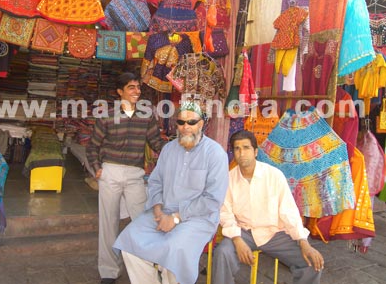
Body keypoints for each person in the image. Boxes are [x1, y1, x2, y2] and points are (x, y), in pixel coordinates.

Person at [113, 101, 229, 284]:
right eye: (181, 122)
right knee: (130, 242)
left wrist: (176, 218)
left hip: (198, 218)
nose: (185, 127)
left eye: (191, 122)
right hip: (163, 211)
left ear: (201, 123)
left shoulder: (215, 154)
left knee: (174, 253)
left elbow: (212, 200)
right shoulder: (168, 149)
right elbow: (155, 182)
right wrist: (158, 210)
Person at [213, 130, 324, 284]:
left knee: (311, 261)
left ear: (255, 151)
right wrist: (237, 240)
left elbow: (289, 211)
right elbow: (225, 213)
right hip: (244, 232)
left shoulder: (274, 175)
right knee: (222, 253)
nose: (241, 153)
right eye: (237, 149)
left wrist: (303, 242)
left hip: (275, 233)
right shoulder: (228, 179)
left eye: (246, 148)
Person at [85, 72, 166, 284]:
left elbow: (157, 144)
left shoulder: (147, 116)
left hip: (135, 174)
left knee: (142, 221)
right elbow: (92, 146)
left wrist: (177, 151)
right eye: (131, 87)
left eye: (138, 87)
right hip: (110, 171)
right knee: (108, 223)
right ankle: (108, 271)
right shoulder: (107, 116)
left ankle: (145, 269)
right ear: (120, 91)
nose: (136, 92)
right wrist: (97, 169)